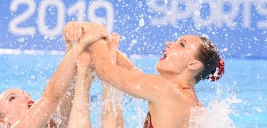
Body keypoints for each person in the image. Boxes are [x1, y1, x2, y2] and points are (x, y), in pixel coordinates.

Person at [78, 24, 223, 128]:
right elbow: (135, 76)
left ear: (193, 65)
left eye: (182, 45)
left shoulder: (164, 88)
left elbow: (105, 71)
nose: (169, 43)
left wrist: (92, 36)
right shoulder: (189, 99)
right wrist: (109, 48)